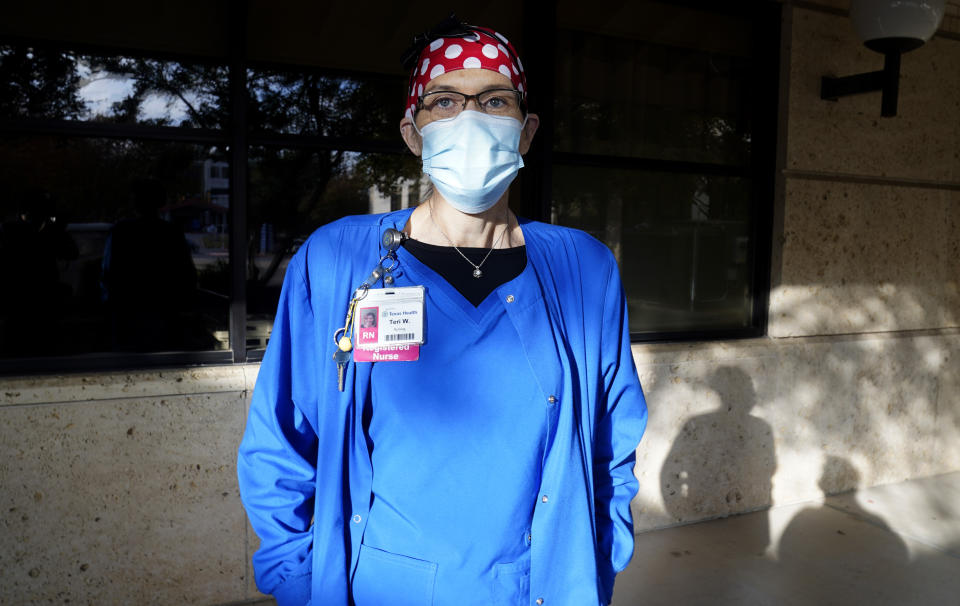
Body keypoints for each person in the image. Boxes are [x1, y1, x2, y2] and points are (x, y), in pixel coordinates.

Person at [238, 15, 648, 606]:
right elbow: (280, 441)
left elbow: (614, 440)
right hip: (384, 588)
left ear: (526, 131)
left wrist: (596, 564)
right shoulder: (338, 260)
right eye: (445, 100)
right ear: (414, 132)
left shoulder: (582, 270)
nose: (471, 118)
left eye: (495, 99)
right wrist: (300, 583)